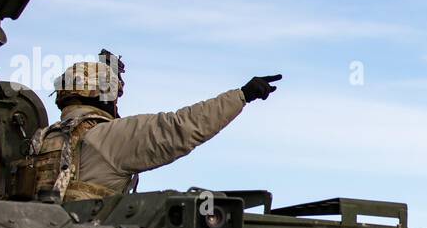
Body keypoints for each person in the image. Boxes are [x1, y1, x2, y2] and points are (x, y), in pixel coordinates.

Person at [24, 56, 280, 202]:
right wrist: (242, 96)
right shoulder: (105, 138)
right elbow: (179, 129)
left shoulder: (43, 138)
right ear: (106, 97)